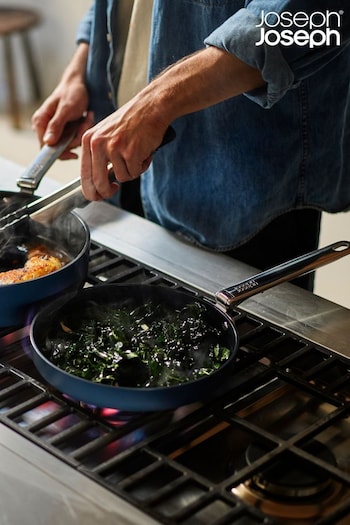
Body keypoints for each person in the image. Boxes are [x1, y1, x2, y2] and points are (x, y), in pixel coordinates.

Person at [32, 1, 350, 290]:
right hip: (126, 144)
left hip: (245, 182)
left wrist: (156, 102)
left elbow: (316, 19)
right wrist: (80, 67)